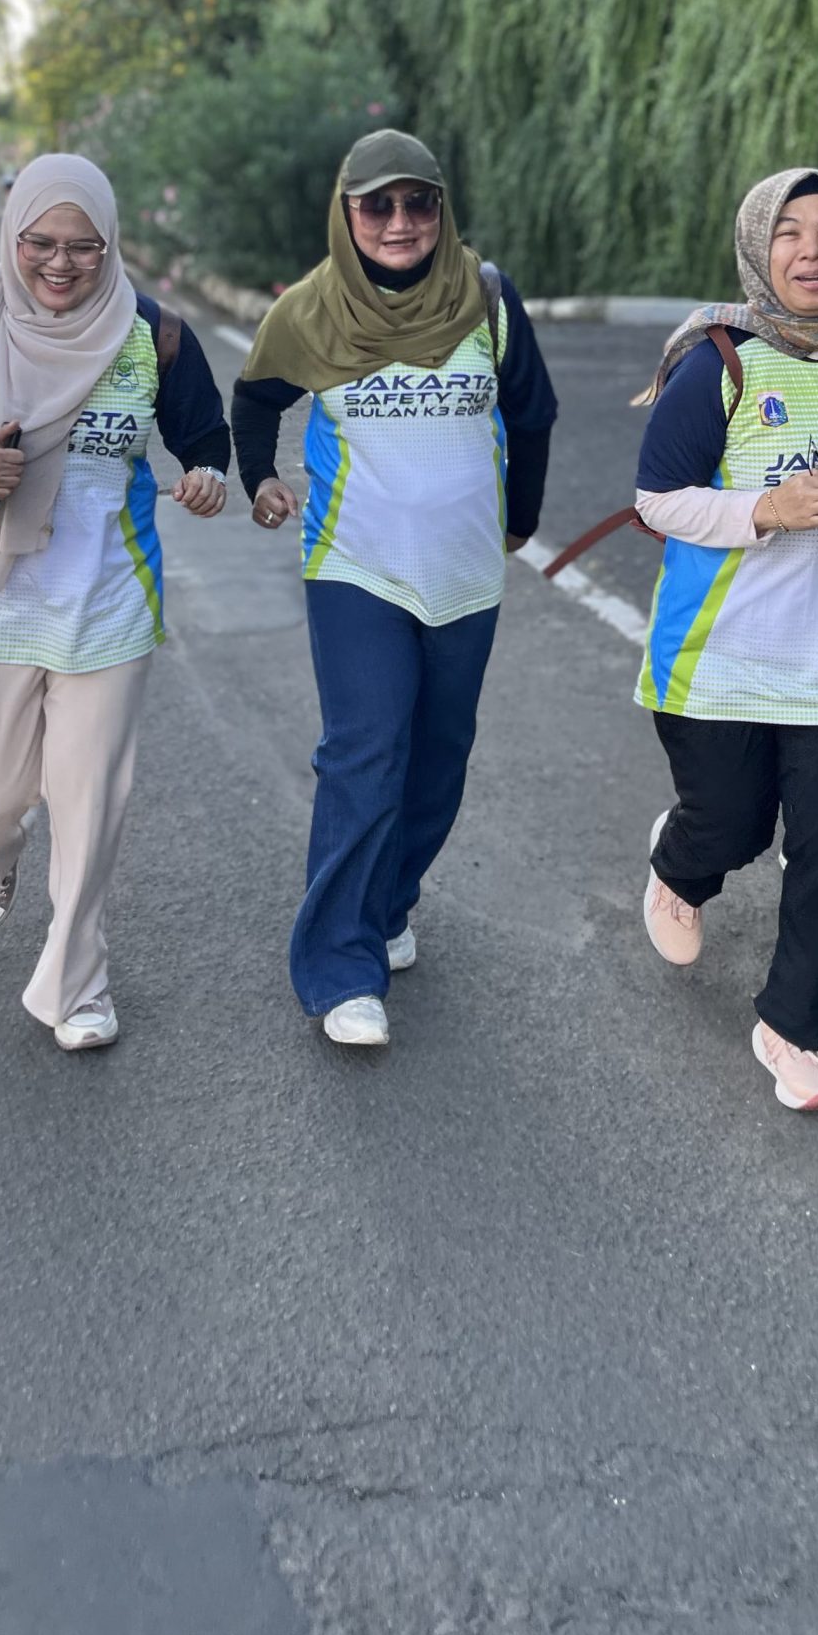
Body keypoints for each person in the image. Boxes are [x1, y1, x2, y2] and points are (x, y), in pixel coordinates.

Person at [0, 155, 230, 1049]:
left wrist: (205, 476)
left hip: (108, 603)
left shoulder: (151, 333)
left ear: (110, 244)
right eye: (40, 243)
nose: (62, 264)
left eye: (84, 246)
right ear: (15, 236)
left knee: (92, 801)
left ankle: (77, 985)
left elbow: (204, 436)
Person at [232, 128, 557, 1048]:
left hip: (464, 570)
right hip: (355, 566)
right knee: (365, 750)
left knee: (439, 755)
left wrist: (520, 521)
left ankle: (388, 901)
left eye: (418, 203)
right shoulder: (308, 310)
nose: (401, 222)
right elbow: (255, 396)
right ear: (347, 213)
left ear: (441, 208)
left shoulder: (489, 301)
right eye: (378, 205)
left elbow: (531, 412)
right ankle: (340, 966)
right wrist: (259, 476)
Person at [634, 168, 818, 1114]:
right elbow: (657, 501)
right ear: (758, 251)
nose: (811, 252)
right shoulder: (721, 362)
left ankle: (794, 1026)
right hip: (721, 658)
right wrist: (766, 508)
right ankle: (683, 866)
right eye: (788, 234)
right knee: (730, 823)